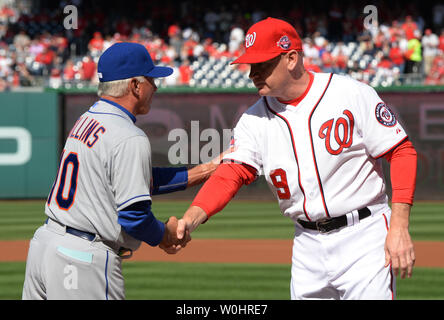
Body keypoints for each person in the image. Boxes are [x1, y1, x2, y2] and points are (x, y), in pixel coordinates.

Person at [175, 17, 418, 300]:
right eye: (251, 64)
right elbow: (233, 173)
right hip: (307, 245)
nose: (253, 73)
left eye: (262, 64)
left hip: (363, 235)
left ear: (291, 58)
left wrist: (399, 226)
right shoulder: (253, 119)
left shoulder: (350, 94)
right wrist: (192, 217)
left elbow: (401, 151)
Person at [22, 42, 227, 300]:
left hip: (45, 246)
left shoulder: (88, 118)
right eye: (152, 80)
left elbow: (132, 180)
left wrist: (205, 170)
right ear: (135, 86)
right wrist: (164, 235)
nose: (156, 87)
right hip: (83, 259)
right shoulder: (129, 136)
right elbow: (134, 217)